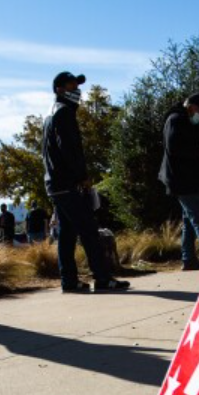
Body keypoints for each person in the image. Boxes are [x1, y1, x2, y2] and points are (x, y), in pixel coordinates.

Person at [43, 71, 128, 293]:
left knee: (67, 234)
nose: (77, 91)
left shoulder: (51, 114)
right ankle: (102, 277)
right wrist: (82, 177)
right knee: (89, 230)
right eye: (71, 87)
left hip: (55, 184)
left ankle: (69, 281)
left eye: (77, 87)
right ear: (59, 89)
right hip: (67, 183)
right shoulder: (63, 114)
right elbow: (69, 149)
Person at [160, 93, 199, 271]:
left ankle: (188, 259)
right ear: (191, 106)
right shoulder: (176, 119)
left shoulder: (183, 121)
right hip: (183, 180)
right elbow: (175, 149)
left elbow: (185, 149)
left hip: (186, 179)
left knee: (190, 220)